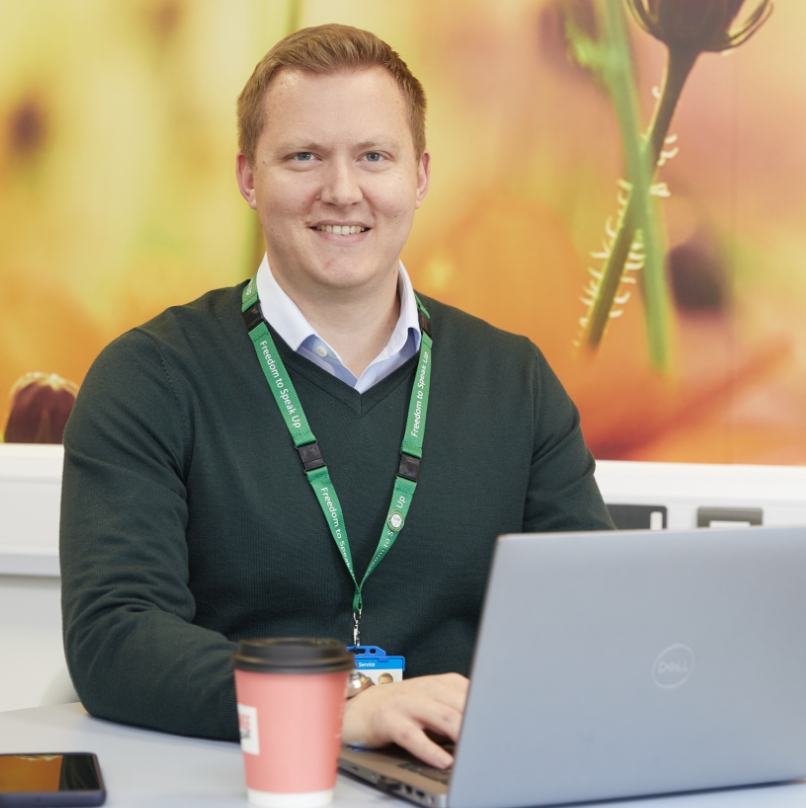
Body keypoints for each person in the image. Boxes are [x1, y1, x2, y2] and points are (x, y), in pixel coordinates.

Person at [60, 24, 614, 770]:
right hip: (235, 780)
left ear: (418, 176)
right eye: (303, 157)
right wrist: (339, 708)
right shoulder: (149, 378)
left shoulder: (514, 380)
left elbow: (594, 621)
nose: (343, 191)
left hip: (458, 777)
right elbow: (116, 638)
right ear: (249, 178)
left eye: (373, 157)